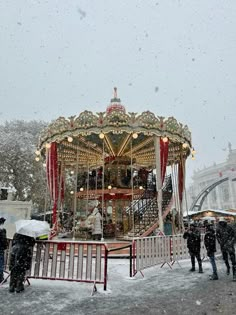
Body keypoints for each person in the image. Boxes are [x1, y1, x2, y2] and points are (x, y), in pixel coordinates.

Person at [0, 217, 7, 283]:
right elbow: (4, 240)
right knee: (0, 263)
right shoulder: (2, 230)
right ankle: (0, 277)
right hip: (0, 248)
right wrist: (5, 246)